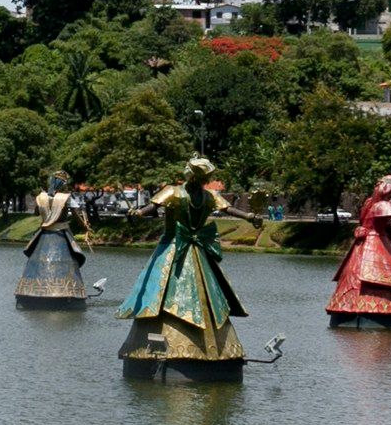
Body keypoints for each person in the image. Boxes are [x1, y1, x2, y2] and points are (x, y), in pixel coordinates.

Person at [115, 157, 246, 370]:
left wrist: (250, 216)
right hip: (180, 249)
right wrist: (138, 213)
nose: (203, 182)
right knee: (161, 293)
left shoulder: (200, 195)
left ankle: (202, 349)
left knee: (195, 296)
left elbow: (228, 209)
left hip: (186, 249)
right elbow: (152, 207)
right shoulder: (180, 193)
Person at [325, 173, 391, 326]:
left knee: (353, 271)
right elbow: (390, 216)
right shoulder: (383, 206)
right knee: (383, 273)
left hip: (362, 243)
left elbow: (383, 215)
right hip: (376, 242)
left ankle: (346, 307)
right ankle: (382, 311)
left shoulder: (370, 202)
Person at [15, 172, 91, 308]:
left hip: (44, 235)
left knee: (36, 263)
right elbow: (76, 215)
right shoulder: (65, 198)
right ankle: (67, 294)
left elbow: (36, 213)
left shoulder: (41, 197)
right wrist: (85, 226)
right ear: (62, 184)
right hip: (60, 235)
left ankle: (30, 292)